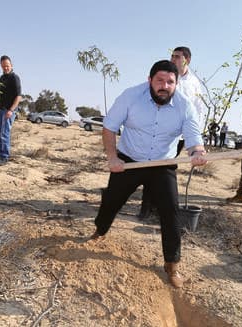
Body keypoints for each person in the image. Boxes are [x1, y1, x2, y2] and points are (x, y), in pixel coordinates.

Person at [90, 60, 207, 288]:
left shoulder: (185, 105)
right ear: (150, 80)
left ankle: (171, 265)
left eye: (170, 82)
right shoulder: (130, 96)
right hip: (129, 160)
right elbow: (110, 127)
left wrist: (198, 152)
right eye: (160, 80)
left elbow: (194, 138)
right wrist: (112, 158)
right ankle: (100, 231)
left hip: (163, 164)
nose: (164, 86)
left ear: (176, 83)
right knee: (111, 202)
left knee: (170, 213)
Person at [137, 46, 205, 219]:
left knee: (164, 169)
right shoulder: (165, 77)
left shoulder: (194, 84)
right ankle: (146, 208)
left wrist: (196, 137)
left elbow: (197, 110)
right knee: (151, 164)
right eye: (172, 56)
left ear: (186, 60)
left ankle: (160, 207)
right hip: (158, 129)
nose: (173, 59)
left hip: (179, 133)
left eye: (177, 56)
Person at [0, 55, 22, 166]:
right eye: (3, 66)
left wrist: (11, 110)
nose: (5, 68)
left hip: (9, 111)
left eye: (7, 66)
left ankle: (4, 157)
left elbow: (18, 96)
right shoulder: (2, 78)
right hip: (1, 109)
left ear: (11, 65)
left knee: (4, 133)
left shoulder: (14, 78)